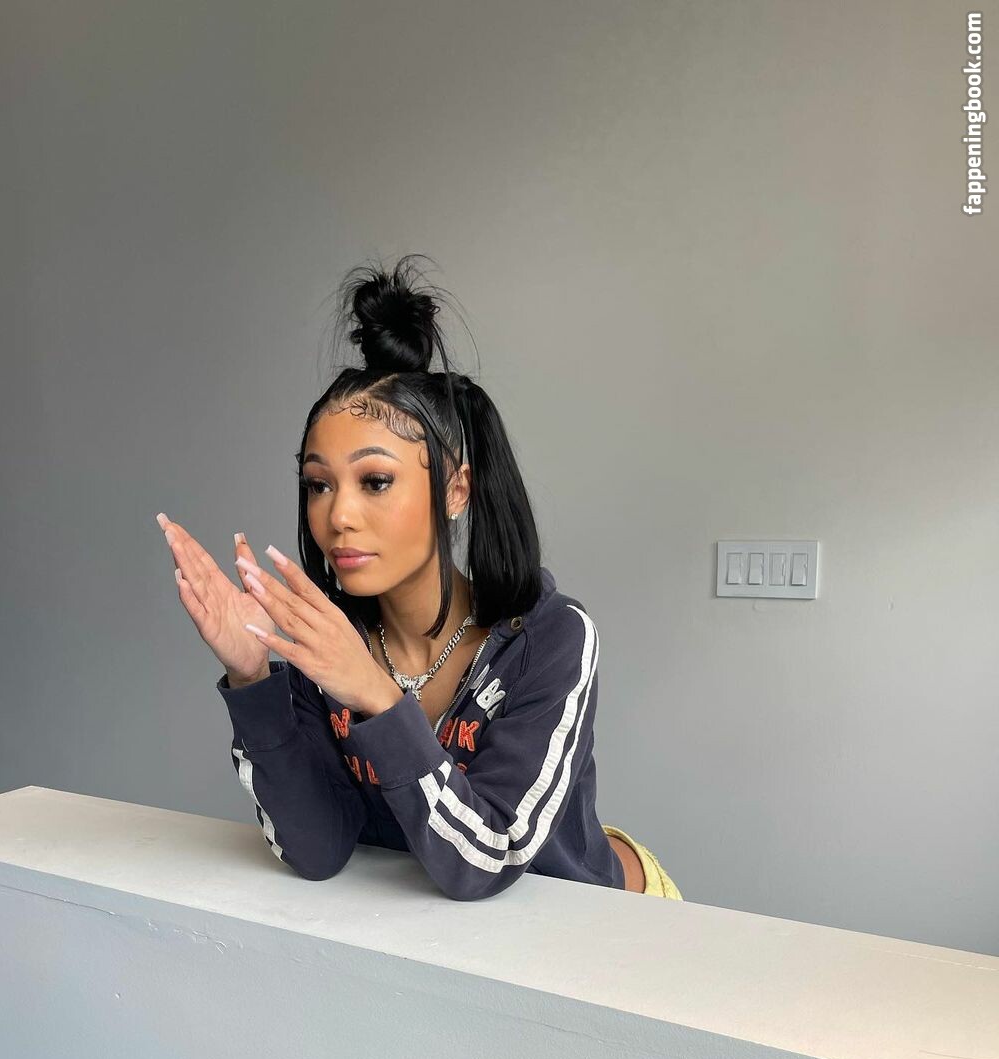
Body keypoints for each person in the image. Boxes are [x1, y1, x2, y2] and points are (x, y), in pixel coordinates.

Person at [157, 253, 681, 902]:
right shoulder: (326, 644)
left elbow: (486, 859)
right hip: (438, 942)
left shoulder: (549, 639)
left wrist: (376, 695)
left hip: (609, 922)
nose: (338, 516)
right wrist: (252, 677)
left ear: (456, 489)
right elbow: (318, 850)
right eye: (318, 484)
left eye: (376, 481)